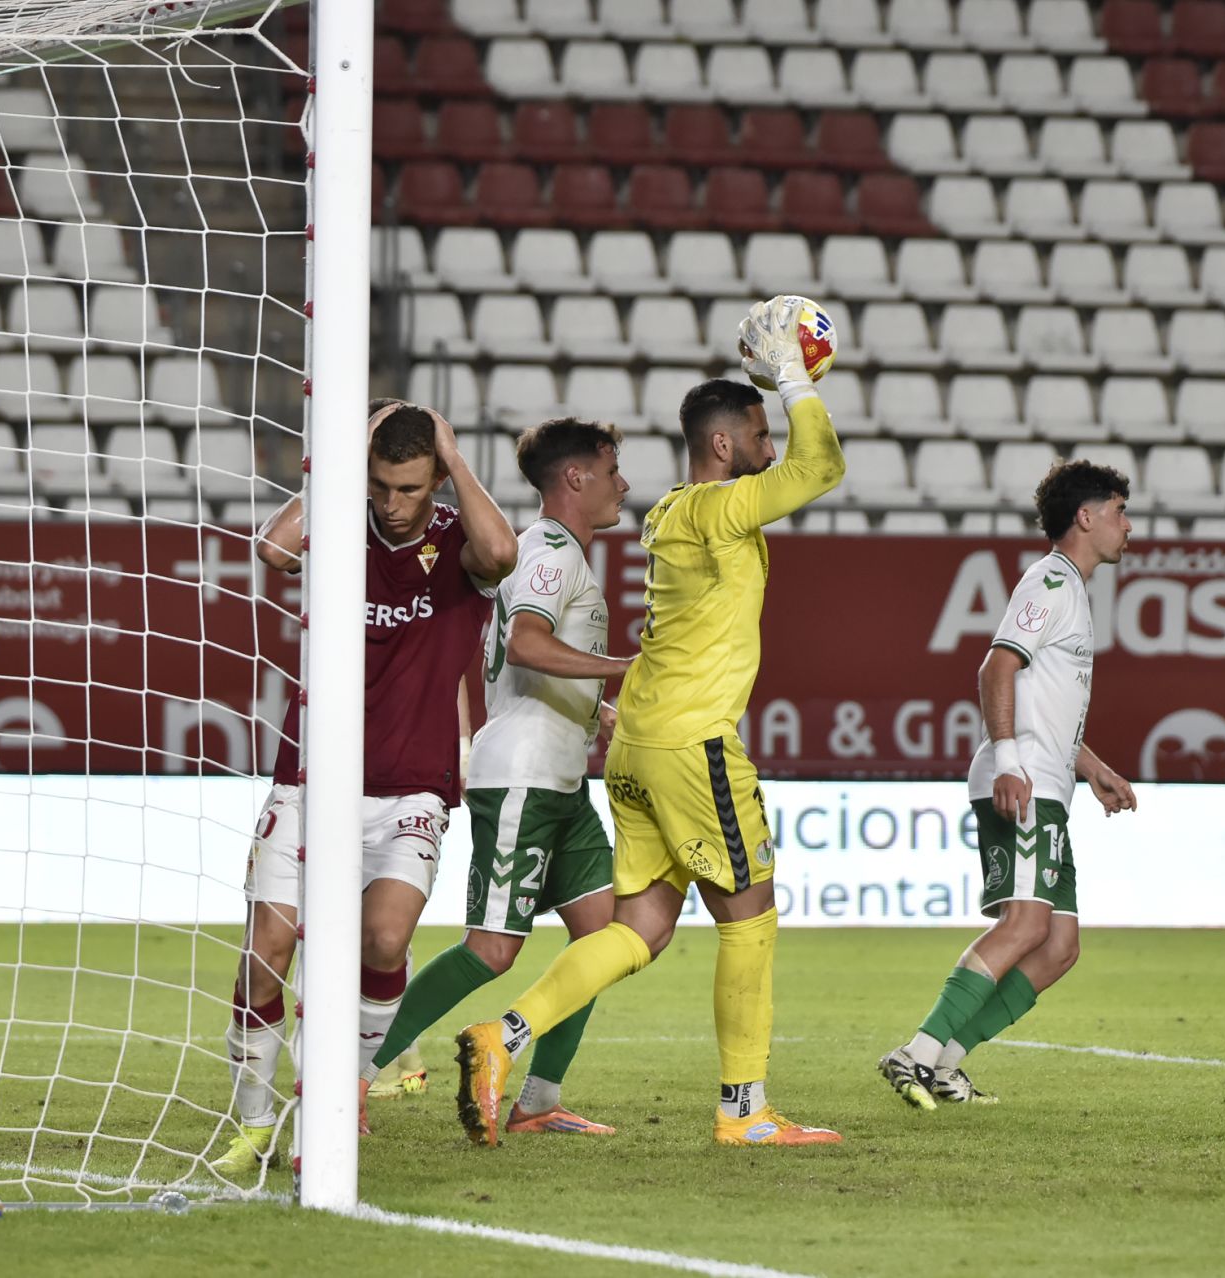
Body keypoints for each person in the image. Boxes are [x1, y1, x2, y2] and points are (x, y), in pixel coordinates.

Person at [454, 298, 847, 1149]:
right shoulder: (714, 509)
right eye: (757, 437)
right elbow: (823, 468)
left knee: (642, 929)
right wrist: (791, 380)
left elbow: (795, 470)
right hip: (692, 741)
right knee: (751, 913)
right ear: (722, 446)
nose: (769, 449)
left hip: (634, 743)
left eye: (770, 436)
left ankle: (502, 1038)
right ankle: (744, 1111)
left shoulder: (671, 512)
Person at [209, 400, 514, 1176]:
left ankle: (342, 1090)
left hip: (411, 789)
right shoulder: (344, 527)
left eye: (409, 488)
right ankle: (252, 1120)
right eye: (380, 485)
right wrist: (346, 458)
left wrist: (454, 452)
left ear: (437, 480)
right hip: (309, 778)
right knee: (263, 955)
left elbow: (503, 552)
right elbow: (275, 550)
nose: (391, 503)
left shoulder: (456, 546)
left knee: (383, 940)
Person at [362, 417, 632, 1137]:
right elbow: (528, 642)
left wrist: (595, 708)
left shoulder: (557, 554)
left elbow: (523, 659)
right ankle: (353, 1072)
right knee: (491, 951)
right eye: (612, 470)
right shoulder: (548, 552)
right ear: (575, 478)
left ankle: (538, 1101)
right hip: (520, 778)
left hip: (561, 778)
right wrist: (624, 670)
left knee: (604, 940)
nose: (623, 486)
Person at [878, 460, 1139, 1110]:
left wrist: (1095, 767)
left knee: (1058, 947)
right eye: (1119, 510)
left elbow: (1041, 704)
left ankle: (945, 1066)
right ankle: (916, 1052)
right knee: (1027, 924)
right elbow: (996, 669)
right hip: (1022, 781)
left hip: (1047, 779)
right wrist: (1007, 760)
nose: (1127, 525)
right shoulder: (1050, 580)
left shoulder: (1072, 590)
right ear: (1087, 517)